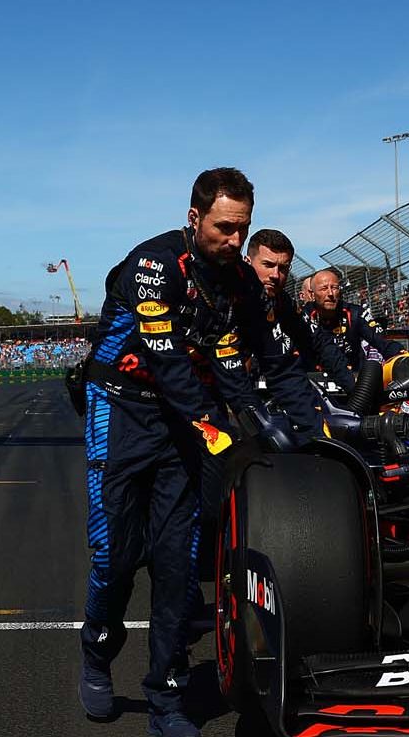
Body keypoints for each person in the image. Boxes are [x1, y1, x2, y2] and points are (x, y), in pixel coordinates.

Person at [75, 168, 322, 736]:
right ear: (195, 218)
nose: (235, 242)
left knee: (178, 560)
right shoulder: (152, 265)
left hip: (184, 423)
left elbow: (275, 362)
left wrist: (314, 432)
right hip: (122, 408)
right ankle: (96, 651)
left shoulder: (237, 280)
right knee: (115, 554)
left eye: (243, 230)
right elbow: (166, 360)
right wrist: (216, 424)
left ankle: (165, 698)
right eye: (225, 229)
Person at [244, 228, 356, 405]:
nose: (275, 275)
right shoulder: (226, 295)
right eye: (268, 265)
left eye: (282, 268)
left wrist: (354, 390)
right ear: (247, 262)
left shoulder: (283, 302)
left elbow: (319, 341)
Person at [305, 268, 405, 365]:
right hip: (314, 376)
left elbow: (383, 342)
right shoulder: (302, 316)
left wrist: (403, 356)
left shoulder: (355, 312)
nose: (330, 293)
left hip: (353, 375)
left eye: (334, 288)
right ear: (312, 294)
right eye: (324, 288)